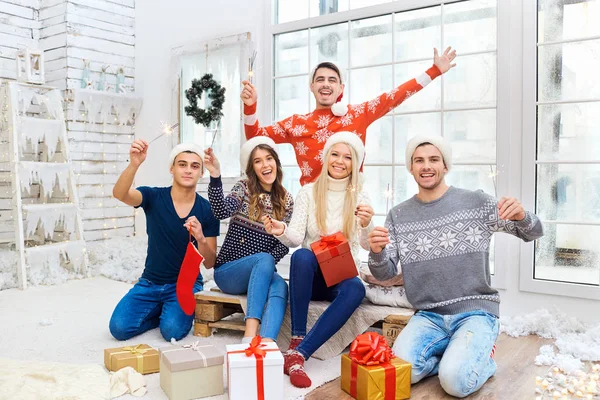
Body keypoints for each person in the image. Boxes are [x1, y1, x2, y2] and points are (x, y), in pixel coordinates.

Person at [367, 135, 544, 398]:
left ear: (445, 166)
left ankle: (479, 361)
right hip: (428, 315)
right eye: (419, 161)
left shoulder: (476, 202)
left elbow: (533, 232)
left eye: (433, 160)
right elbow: (386, 272)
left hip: (475, 311)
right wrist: (377, 252)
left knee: (456, 384)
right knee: (403, 372)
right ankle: (455, 355)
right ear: (411, 167)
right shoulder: (398, 215)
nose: (426, 166)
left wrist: (521, 215)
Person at [241, 47, 457, 185]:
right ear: (312, 86)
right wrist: (250, 107)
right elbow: (256, 138)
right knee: (308, 258)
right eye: (321, 79)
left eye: (332, 80)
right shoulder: (296, 124)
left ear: (341, 87)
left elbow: (395, 96)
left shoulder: (357, 115)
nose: (326, 84)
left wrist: (434, 71)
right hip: (313, 203)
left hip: (351, 202)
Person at [264, 131, 375, 388]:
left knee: (356, 287)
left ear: (355, 163)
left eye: (347, 157)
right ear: (326, 158)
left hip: (340, 279)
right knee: (302, 254)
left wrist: (368, 224)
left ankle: (299, 353)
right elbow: (295, 237)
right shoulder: (309, 192)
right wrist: (280, 230)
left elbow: (368, 246)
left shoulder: (361, 197)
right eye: (335, 154)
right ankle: (297, 337)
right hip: (312, 278)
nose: (340, 161)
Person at [109, 140, 220, 341]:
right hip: (149, 282)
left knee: (172, 332)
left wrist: (201, 238)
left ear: (201, 173)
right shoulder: (153, 196)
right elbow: (120, 194)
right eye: (182, 164)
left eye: (195, 166)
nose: (188, 170)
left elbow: (210, 261)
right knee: (118, 328)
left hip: (185, 284)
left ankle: (168, 313)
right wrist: (134, 164)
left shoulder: (208, 210)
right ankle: (161, 312)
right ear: (172, 169)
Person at [204, 137, 294, 343]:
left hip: (260, 274)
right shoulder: (244, 188)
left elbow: (284, 244)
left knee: (280, 286)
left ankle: (267, 343)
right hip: (229, 273)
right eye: (258, 161)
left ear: (276, 163)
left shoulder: (287, 200)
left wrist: (266, 266)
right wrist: (215, 175)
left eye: (269, 158)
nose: (265, 164)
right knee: (264, 259)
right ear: (252, 168)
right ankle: (250, 334)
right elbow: (220, 211)